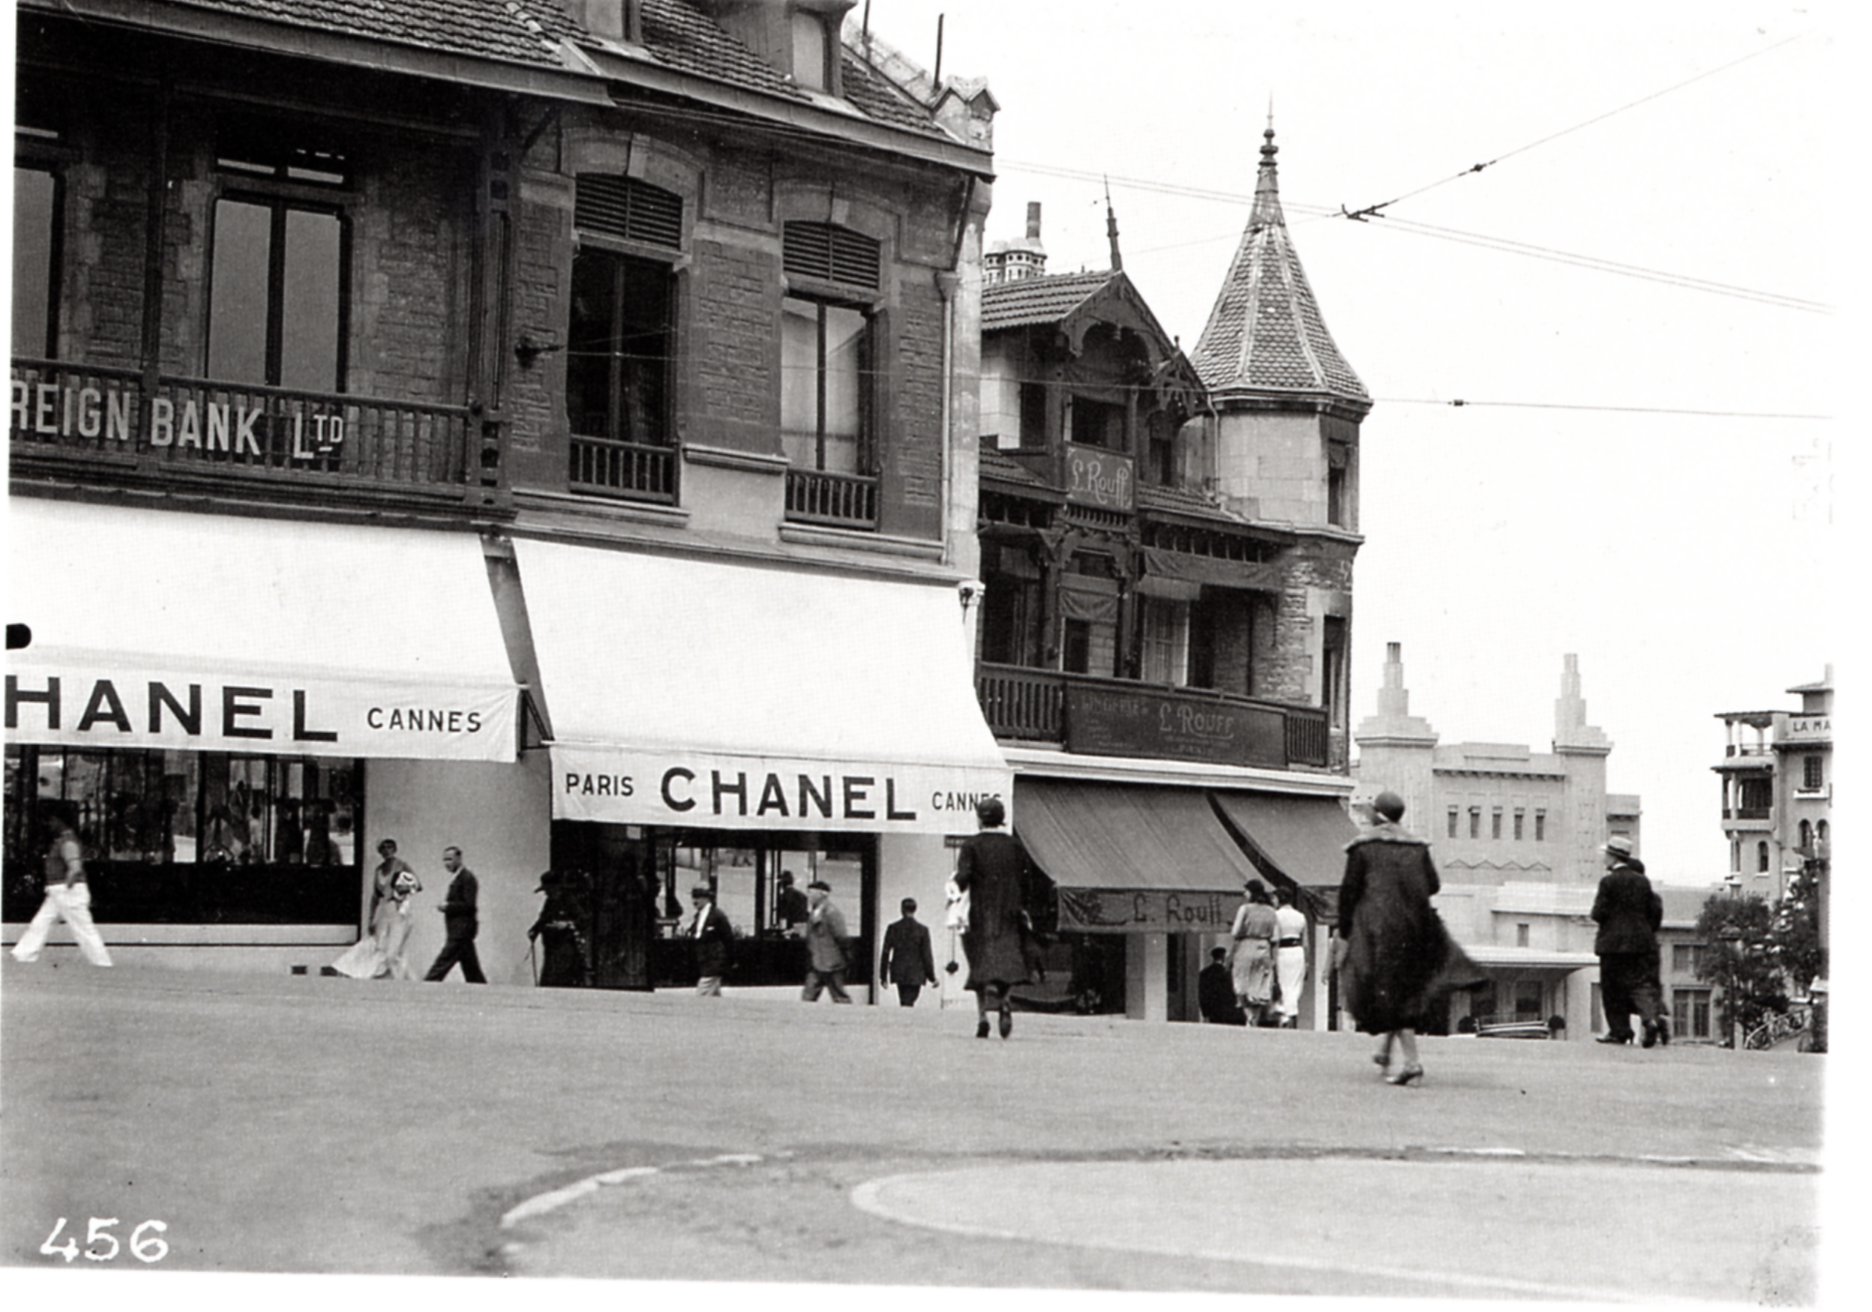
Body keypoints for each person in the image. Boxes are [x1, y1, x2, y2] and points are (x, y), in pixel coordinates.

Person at [1336, 790, 1478, 1085]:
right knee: (1398, 987)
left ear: (1379, 815)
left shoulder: (1363, 846)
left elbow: (1349, 891)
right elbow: (1433, 885)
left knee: (1387, 989)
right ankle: (1385, 1052)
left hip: (1378, 928)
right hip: (1416, 927)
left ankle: (1412, 1062)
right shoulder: (1417, 846)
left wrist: (1346, 929)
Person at [952, 796, 1030, 1039]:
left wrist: (951, 891)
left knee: (980, 963)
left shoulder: (971, 845)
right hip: (1009, 911)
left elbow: (963, 877)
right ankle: (1005, 1002)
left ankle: (982, 1016)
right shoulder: (1014, 845)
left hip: (981, 912)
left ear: (979, 818)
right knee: (1007, 960)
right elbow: (1026, 877)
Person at [11, 806, 113, 967]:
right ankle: (23, 953)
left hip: (67, 890)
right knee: (41, 922)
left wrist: (66, 887)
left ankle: (102, 962)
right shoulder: (63, 841)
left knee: (83, 928)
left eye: (52, 820)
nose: (49, 824)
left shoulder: (68, 842)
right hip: (60, 891)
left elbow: (75, 867)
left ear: (61, 821)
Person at [1592, 835, 1664, 1047]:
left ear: (1613, 857)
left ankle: (1619, 1031)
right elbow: (1652, 912)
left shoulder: (1608, 882)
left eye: (1606, 855)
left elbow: (1598, 913)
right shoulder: (1642, 882)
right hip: (1640, 943)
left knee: (1612, 988)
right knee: (1638, 984)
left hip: (1613, 944)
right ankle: (1649, 1019)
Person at [330, 838, 421, 979]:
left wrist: (401, 891)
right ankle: (385, 977)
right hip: (384, 911)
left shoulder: (401, 866)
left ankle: (404, 980)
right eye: (384, 848)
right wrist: (372, 919)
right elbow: (375, 897)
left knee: (393, 951)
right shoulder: (379, 870)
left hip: (399, 910)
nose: (387, 850)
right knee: (378, 947)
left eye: (390, 847)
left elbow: (417, 885)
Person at [424, 846, 486, 983]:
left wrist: (448, 906)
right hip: (460, 931)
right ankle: (484, 993)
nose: (447, 863)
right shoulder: (460, 877)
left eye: (450, 859)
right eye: (445, 860)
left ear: (459, 858)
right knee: (472, 969)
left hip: (461, 931)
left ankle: (424, 988)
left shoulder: (467, 878)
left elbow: (469, 905)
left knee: (441, 964)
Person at [1229, 880, 1280, 1026]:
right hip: (1264, 948)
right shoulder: (1272, 911)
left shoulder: (1245, 909)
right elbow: (1275, 937)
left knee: (1241, 982)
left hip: (1246, 945)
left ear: (1251, 892)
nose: (1244, 894)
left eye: (1246, 891)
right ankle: (1255, 1017)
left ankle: (1248, 1015)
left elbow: (1235, 931)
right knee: (1259, 984)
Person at [528, 872, 588, 987]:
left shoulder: (569, 900)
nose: (546, 893)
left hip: (565, 947)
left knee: (560, 978)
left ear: (556, 888)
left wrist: (566, 924)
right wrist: (534, 930)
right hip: (551, 947)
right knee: (548, 977)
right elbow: (543, 919)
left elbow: (583, 919)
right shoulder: (550, 902)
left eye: (548, 889)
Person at [880, 897, 938, 1007]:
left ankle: (905, 1018)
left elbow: (886, 952)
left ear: (901, 909)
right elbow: (927, 955)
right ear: (915, 909)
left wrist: (883, 976)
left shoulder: (893, 928)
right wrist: (932, 977)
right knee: (910, 1000)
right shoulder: (922, 930)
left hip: (899, 971)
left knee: (904, 999)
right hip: (917, 972)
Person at [801, 879, 853, 1003]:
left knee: (838, 994)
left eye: (812, 892)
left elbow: (841, 936)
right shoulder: (815, 912)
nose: (809, 896)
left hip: (832, 961)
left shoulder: (832, 913)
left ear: (822, 894)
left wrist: (847, 955)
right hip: (818, 959)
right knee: (809, 994)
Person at [687, 883, 734, 996]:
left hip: (714, 963)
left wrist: (729, 960)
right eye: (693, 897)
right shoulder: (698, 916)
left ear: (706, 898)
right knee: (713, 995)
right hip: (705, 962)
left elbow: (728, 939)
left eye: (698, 897)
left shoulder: (717, 916)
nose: (695, 900)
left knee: (701, 995)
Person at [1273, 886, 1309, 1028]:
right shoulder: (1300, 916)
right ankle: (1290, 1014)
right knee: (1295, 985)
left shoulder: (1276, 916)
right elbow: (1306, 942)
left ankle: (1287, 1014)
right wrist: (1307, 962)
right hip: (1298, 951)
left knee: (1284, 983)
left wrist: (1273, 958)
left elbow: (1275, 939)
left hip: (1283, 951)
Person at [1198, 947, 1246, 1025]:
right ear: (1223, 957)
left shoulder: (1204, 973)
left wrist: (1205, 1012)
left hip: (1212, 1010)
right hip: (1227, 1011)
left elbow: (1202, 994)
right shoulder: (1227, 973)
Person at [774, 870, 810, 935]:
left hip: (790, 928)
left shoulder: (783, 897)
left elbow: (783, 915)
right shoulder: (802, 895)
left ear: (782, 884)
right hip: (803, 927)